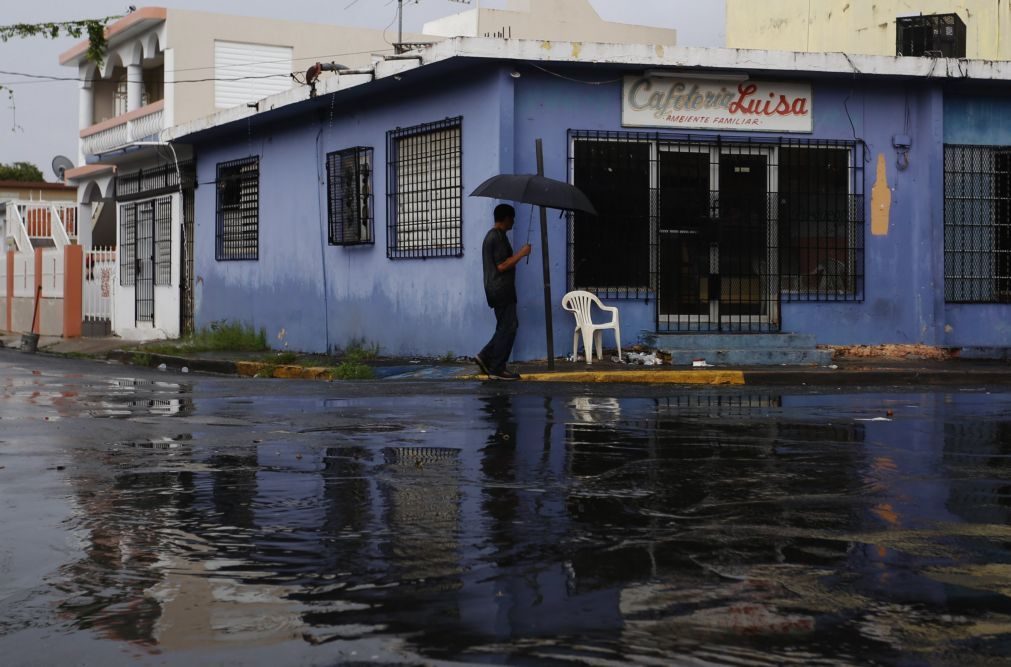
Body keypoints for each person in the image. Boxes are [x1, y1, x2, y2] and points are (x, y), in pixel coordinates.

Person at [475, 204, 531, 380]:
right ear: (506, 218)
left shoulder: (495, 236)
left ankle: (485, 356)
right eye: (512, 218)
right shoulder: (497, 237)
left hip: (497, 289)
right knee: (509, 327)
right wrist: (522, 253)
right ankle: (497, 368)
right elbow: (502, 265)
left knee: (505, 327)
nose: (513, 222)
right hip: (501, 290)